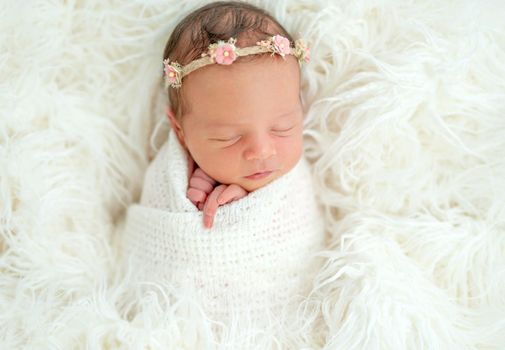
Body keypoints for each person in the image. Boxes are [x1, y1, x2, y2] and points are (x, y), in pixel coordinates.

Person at [161, 0, 311, 229]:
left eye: (283, 127)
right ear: (180, 132)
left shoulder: (300, 179)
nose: (261, 150)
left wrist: (246, 199)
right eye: (228, 137)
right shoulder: (177, 182)